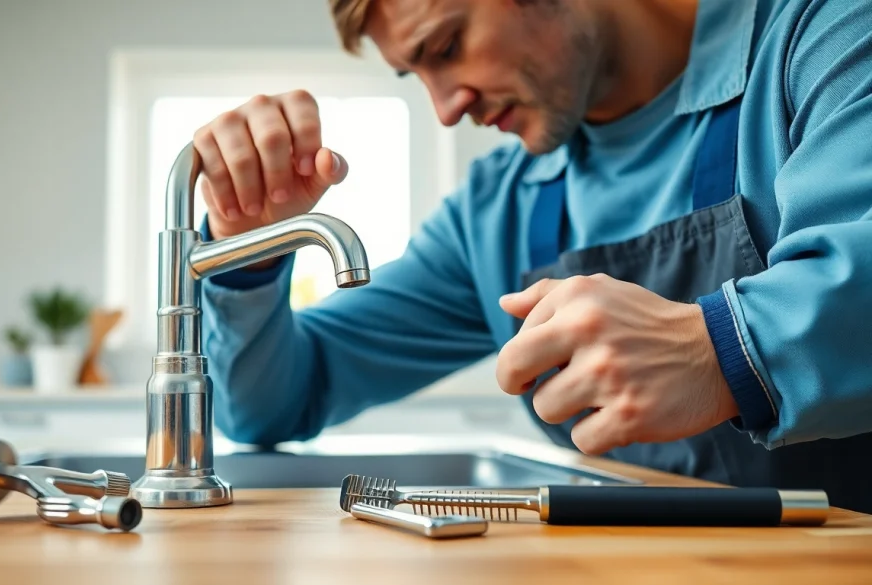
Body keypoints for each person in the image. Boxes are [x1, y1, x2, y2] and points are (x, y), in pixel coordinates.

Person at [193, 0, 872, 513]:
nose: (445, 108)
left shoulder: (826, 33)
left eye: (447, 46)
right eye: (415, 73)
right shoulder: (495, 214)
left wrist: (715, 350)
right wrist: (247, 247)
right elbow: (267, 404)